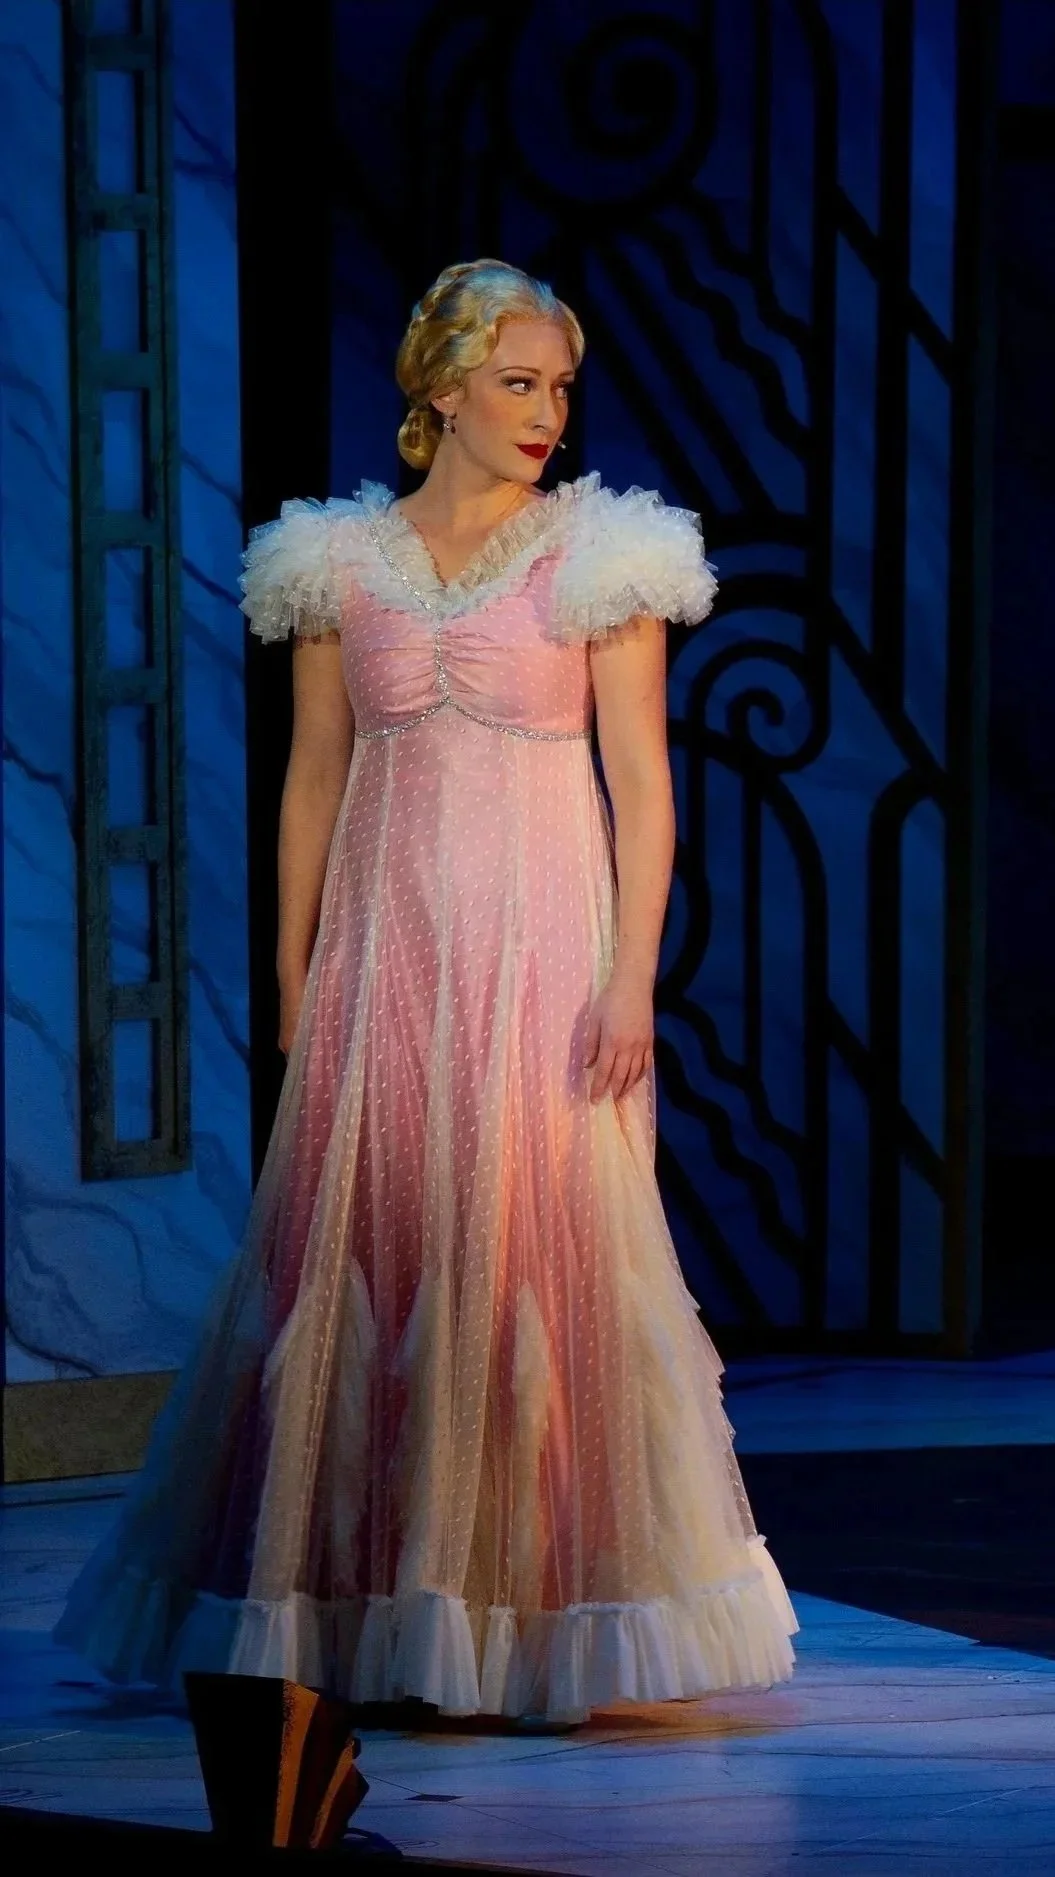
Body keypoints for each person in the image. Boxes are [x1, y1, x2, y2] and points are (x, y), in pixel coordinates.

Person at [56, 258, 797, 1725]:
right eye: (516, 383)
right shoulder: (338, 562)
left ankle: (528, 1614)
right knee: (370, 1255)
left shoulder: (599, 554)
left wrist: (630, 980)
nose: (543, 412)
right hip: (388, 961)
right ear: (440, 389)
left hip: (539, 957)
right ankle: (355, 1602)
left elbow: (641, 794)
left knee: (530, 1254)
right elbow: (314, 775)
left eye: (559, 387)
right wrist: (292, 959)